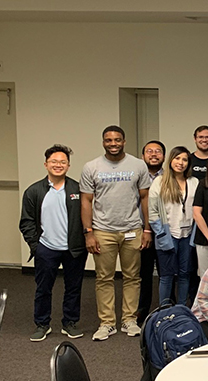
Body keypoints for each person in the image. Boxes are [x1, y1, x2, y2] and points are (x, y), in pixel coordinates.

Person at [81, 125, 152, 341]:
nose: (114, 144)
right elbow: (86, 200)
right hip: (103, 231)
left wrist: (147, 228)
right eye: (109, 140)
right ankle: (107, 323)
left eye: (117, 140)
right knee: (104, 278)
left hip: (132, 229)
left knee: (132, 277)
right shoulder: (91, 166)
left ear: (124, 141)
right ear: (103, 142)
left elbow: (145, 198)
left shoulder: (138, 165)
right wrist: (88, 233)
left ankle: (129, 320)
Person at [21, 144, 88, 341]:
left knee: (73, 287)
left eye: (62, 162)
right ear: (46, 164)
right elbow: (26, 222)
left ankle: (70, 322)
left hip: (74, 249)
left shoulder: (78, 189)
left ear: (68, 166)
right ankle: (42, 324)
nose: (58, 165)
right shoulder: (34, 191)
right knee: (43, 288)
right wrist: (36, 246)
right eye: (54, 162)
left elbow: (88, 216)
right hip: (47, 249)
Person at [148, 146, 199, 307]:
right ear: (170, 161)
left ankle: (182, 308)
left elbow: (198, 210)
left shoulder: (194, 182)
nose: (181, 163)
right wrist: (161, 234)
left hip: (187, 235)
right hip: (167, 235)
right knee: (166, 276)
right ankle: (164, 309)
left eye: (184, 160)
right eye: (177, 159)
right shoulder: (160, 182)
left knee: (185, 274)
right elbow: (153, 211)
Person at [137, 140, 165, 325]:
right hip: (141, 231)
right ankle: (141, 311)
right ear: (143, 156)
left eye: (158, 151)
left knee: (166, 273)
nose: (154, 154)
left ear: (164, 155)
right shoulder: (137, 176)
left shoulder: (170, 176)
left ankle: (166, 310)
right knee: (143, 273)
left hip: (165, 232)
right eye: (149, 151)